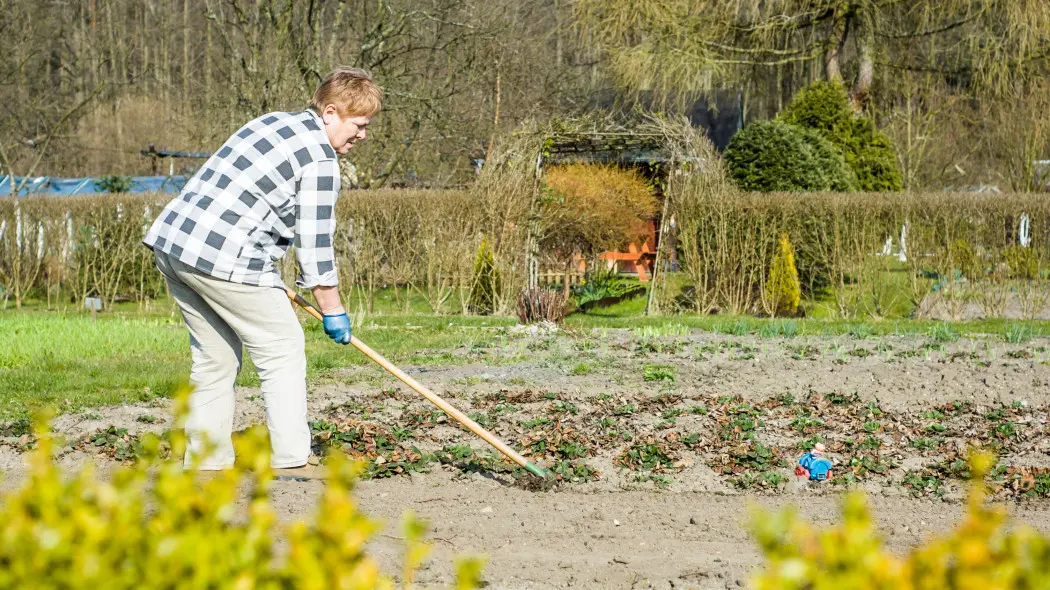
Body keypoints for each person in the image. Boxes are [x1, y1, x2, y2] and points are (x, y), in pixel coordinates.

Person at [142, 67, 381, 474]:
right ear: (330, 113)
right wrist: (333, 308)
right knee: (282, 347)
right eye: (357, 125)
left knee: (215, 358)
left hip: (174, 244)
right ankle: (292, 457)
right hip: (226, 257)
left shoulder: (272, 122)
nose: (363, 135)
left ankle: (206, 459)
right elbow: (315, 244)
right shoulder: (321, 160)